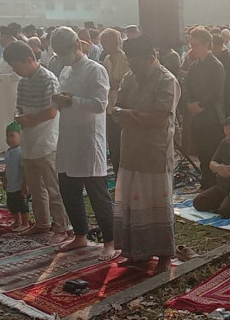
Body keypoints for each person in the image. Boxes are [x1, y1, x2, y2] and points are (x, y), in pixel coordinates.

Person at [112, 36, 180, 271]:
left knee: (157, 205)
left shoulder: (166, 80)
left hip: (154, 152)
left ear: (151, 58)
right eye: (130, 63)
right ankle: (136, 252)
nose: (133, 67)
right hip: (130, 150)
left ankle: (163, 257)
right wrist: (123, 113)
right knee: (132, 204)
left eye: (137, 62)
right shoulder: (130, 77)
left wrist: (131, 116)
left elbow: (161, 118)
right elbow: (118, 106)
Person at [50, 27, 118, 260]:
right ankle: (80, 235)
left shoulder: (95, 70)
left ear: (77, 46)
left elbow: (100, 104)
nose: (62, 57)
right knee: (69, 189)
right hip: (68, 137)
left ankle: (111, 240)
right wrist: (59, 100)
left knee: (97, 192)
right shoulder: (66, 71)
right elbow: (63, 98)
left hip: (89, 139)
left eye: (64, 52)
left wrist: (73, 101)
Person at [3, 41, 71, 242]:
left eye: (17, 66)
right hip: (29, 140)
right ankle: (42, 223)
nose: (16, 70)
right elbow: (19, 108)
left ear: (30, 59)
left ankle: (62, 227)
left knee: (53, 188)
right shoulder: (24, 81)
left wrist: (29, 119)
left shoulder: (48, 79)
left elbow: (51, 112)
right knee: (35, 187)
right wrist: (19, 117)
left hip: (47, 140)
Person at [184, 27, 225, 190]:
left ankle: (215, 186)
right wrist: (189, 104)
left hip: (212, 117)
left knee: (212, 153)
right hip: (197, 117)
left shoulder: (216, 65)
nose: (192, 48)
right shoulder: (194, 66)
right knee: (201, 152)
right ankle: (206, 183)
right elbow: (186, 88)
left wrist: (201, 105)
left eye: (195, 45)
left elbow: (216, 91)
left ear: (206, 44)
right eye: (191, 45)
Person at [100, 28, 130, 174]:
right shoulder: (106, 59)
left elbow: (125, 84)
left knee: (124, 145)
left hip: (122, 108)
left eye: (106, 42)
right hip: (109, 108)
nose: (104, 46)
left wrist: (112, 83)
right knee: (113, 145)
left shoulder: (126, 59)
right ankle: (118, 175)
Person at [0, 26, 20, 153]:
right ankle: (4, 145)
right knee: (2, 119)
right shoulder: (5, 52)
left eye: (2, 38)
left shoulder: (17, 51)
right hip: (3, 92)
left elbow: (18, 75)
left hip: (12, 91)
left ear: (9, 38)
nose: (0, 40)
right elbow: (1, 69)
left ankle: (13, 144)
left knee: (11, 118)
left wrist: (2, 77)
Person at [3, 122, 30, 231]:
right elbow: (7, 166)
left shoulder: (21, 151)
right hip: (11, 185)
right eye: (7, 136)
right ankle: (17, 221)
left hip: (19, 186)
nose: (9, 139)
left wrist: (25, 184)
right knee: (12, 205)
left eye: (12, 136)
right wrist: (5, 179)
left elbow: (25, 169)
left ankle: (25, 223)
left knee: (22, 205)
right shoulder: (9, 151)